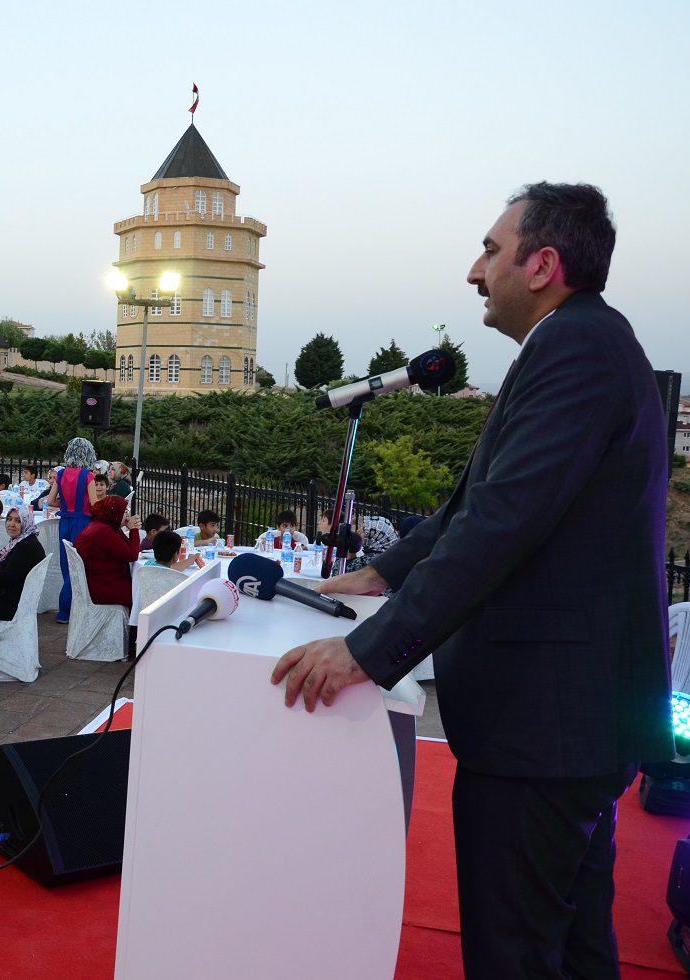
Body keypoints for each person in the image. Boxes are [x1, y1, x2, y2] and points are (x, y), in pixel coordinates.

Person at [272, 182, 672, 977]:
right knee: (571, 944)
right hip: (569, 727)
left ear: (542, 264)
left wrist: (366, 652)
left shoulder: (576, 348)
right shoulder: (579, 342)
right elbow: (474, 506)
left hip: (544, 730)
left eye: (491, 250)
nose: (472, 270)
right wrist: (378, 574)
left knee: (516, 952)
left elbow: (502, 524)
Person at [45, 437, 98, 623]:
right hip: (83, 524)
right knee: (80, 565)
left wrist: (65, 505)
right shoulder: (88, 475)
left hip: (65, 522)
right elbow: (94, 504)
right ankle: (67, 608)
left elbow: (50, 501)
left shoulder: (60, 474)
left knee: (66, 565)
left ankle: (65, 610)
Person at [74, 495, 142, 607]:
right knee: (143, 594)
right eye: (125, 511)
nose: (127, 515)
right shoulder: (105, 532)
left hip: (99, 581)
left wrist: (129, 528)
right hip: (104, 586)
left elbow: (127, 548)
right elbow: (132, 555)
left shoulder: (104, 525)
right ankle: (137, 624)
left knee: (140, 590)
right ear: (115, 513)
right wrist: (134, 530)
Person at [0, 506, 45, 621]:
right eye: (9, 519)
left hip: (13, 606)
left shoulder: (27, 546)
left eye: (18, 521)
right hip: (13, 597)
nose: (11, 524)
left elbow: (7, 577)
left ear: (26, 523)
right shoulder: (22, 541)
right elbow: (2, 568)